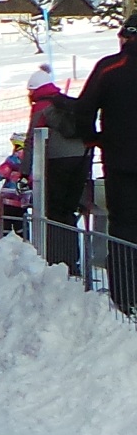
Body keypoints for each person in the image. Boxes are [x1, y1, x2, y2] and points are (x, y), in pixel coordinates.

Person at [77, 17, 137, 308]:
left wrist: (93, 139)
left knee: (124, 227)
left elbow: (83, 109)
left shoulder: (109, 68)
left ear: (125, 38)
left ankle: (126, 300)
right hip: (120, 159)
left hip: (121, 163)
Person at [28, 67, 91, 274]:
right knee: (69, 211)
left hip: (58, 162)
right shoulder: (65, 101)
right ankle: (73, 262)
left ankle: (56, 262)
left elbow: (31, 141)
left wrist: (23, 172)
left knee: (54, 212)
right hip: (82, 159)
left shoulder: (42, 106)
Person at [0, 135, 31, 240]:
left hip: (8, 196)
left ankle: (3, 239)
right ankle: (24, 240)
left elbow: (5, 169)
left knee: (6, 220)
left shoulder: (16, 157)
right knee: (21, 222)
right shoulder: (31, 159)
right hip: (22, 198)